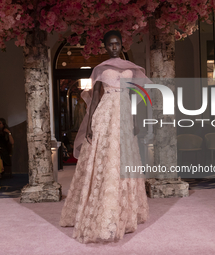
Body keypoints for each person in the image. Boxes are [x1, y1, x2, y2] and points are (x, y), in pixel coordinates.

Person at [60, 30, 149, 243]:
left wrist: (135, 119)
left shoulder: (131, 69)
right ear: (105, 47)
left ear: (122, 45)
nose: (114, 47)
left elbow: (135, 96)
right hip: (105, 113)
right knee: (105, 159)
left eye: (117, 43)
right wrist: (90, 123)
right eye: (110, 44)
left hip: (125, 114)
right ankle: (102, 207)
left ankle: (127, 213)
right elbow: (93, 99)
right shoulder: (101, 69)